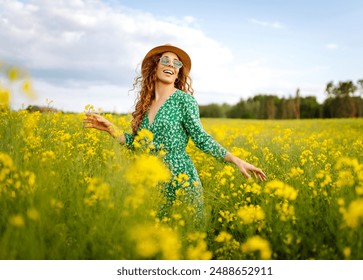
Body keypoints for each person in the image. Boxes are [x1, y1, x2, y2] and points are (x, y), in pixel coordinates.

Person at [83, 44, 266, 224]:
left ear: (178, 73)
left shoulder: (184, 100)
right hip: (151, 179)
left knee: (184, 235)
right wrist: (110, 128)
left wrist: (236, 159)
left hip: (180, 178)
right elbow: (137, 143)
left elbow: (201, 138)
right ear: (155, 66)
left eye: (176, 63)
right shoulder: (146, 105)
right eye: (165, 60)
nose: (171, 65)